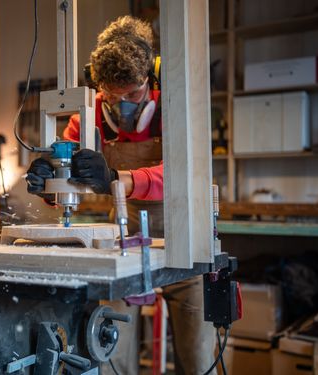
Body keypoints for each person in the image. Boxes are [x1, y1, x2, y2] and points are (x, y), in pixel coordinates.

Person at [25, 16, 216, 375]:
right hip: (128, 246)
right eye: (112, 94)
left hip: (189, 246)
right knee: (110, 355)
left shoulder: (174, 106)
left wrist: (115, 178)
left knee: (199, 359)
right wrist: (48, 182)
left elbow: (181, 175)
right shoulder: (90, 115)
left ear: (153, 75)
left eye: (132, 93)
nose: (121, 103)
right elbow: (70, 168)